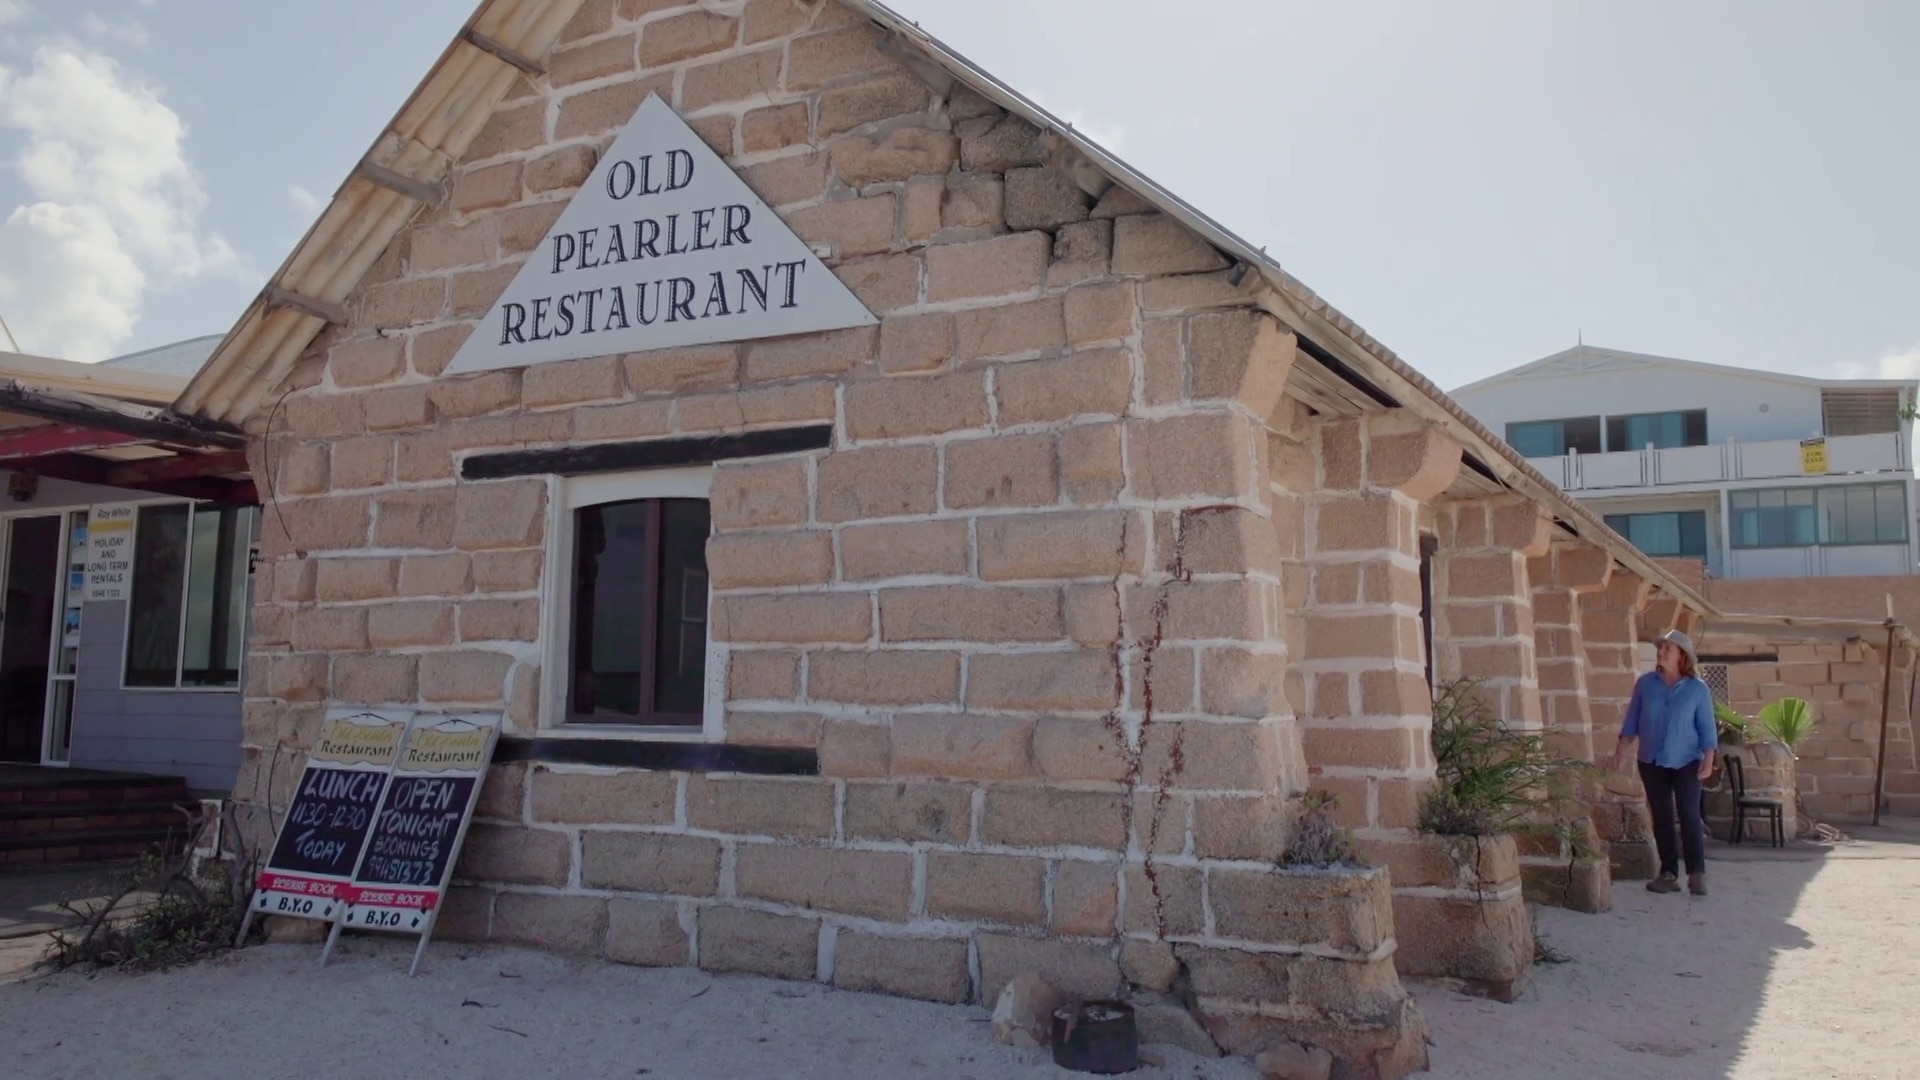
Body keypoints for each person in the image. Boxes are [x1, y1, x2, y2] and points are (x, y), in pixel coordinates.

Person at [1610, 629, 1718, 896]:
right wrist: (1621, 752)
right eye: (1661, 648)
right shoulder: (1645, 684)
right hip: (1651, 761)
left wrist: (1709, 759)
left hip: (1687, 761)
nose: (1662, 652)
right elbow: (1632, 720)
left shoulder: (1697, 690)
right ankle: (1668, 874)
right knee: (1662, 817)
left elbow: (1707, 728)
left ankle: (1697, 874)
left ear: (1682, 656)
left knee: (1690, 815)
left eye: (1668, 648)